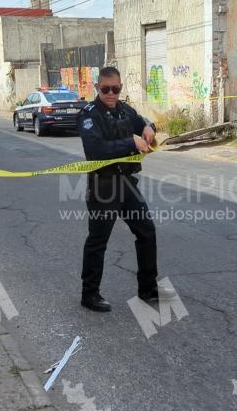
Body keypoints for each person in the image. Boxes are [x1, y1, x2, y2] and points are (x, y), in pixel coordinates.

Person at [77, 66, 175, 312]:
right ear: (97, 88)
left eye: (116, 89)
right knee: (98, 241)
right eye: (106, 89)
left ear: (120, 88)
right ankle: (89, 294)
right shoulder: (89, 114)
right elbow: (96, 150)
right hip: (104, 186)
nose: (111, 94)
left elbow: (141, 121)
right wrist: (130, 141)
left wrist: (150, 126)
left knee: (147, 232)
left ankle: (148, 289)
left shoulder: (124, 110)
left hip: (127, 183)